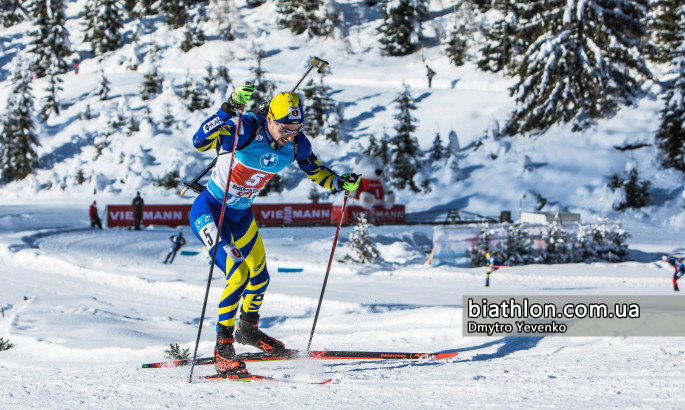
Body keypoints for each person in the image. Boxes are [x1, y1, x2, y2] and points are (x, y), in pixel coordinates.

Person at [189, 84, 361, 375]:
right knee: (239, 273)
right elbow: (199, 140)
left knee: (260, 276)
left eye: (296, 128)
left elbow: (315, 169)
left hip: (241, 216)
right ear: (269, 119)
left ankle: (248, 330)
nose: (290, 136)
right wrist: (228, 108)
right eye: (284, 129)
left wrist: (339, 183)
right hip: (210, 212)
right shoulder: (245, 130)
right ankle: (222, 346)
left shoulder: (296, 144)